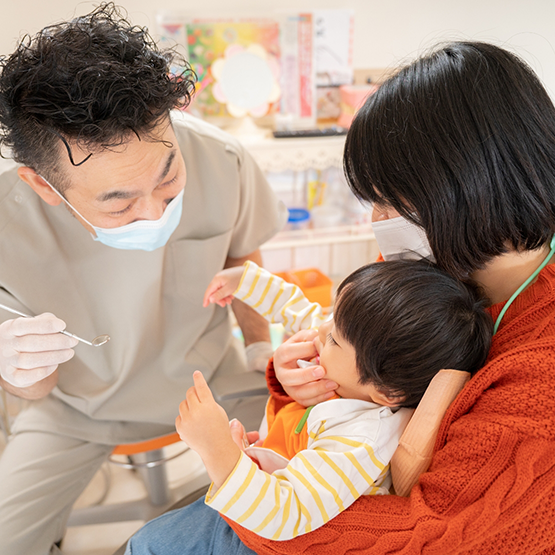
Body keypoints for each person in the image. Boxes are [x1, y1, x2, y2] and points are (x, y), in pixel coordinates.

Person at [123, 41, 555, 555]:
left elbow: (431, 536)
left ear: (473, 189)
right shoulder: (431, 261)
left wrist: (229, 465)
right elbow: (335, 344)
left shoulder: (536, 381)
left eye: (391, 201)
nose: (378, 222)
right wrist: (303, 378)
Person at [0, 4, 286, 554]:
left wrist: (258, 348)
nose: (156, 214)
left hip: (215, 382)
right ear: (43, 187)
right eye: (120, 204)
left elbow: (243, 256)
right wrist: (19, 368)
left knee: (309, 484)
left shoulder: (221, 159)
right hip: (78, 412)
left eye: (168, 180)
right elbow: (35, 385)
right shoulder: (9, 225)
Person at [168, 259, 490, 541]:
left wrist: (216, 448)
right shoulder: (356, 365)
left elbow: (285, 513)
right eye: (333, 316)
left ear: (387, 393)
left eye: (334, 337)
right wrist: (245, 281)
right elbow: (294, 308)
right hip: (260, 471)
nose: (321, 330)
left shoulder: (359, 439)